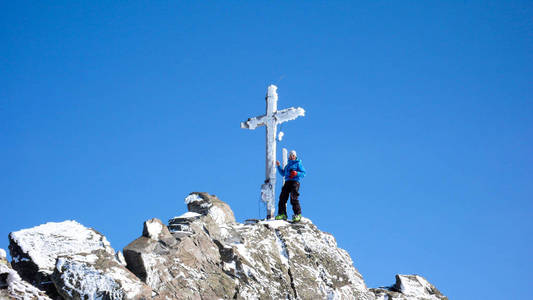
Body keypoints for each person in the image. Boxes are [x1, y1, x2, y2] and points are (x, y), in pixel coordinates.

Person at [275, 150, 306, 222]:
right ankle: (282, 214)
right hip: (287, 182)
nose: (292, 157)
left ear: (295, 156)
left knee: (293, 198)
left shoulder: (298, 163)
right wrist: (279, 166)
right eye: (290, 155)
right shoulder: (288, 165)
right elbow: (283, 173)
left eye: (293, 155)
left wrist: (296, 173)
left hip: (295, 182)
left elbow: (303, 173)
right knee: (282, 197)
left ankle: (298, 214)